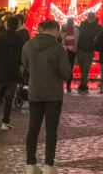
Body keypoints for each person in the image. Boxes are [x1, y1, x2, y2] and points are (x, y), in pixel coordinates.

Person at [21, 19, 73, 174]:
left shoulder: (28, 46)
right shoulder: (58, 49)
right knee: (51, 130)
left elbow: (25, 65)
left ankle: (30, 164)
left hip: (35, 92)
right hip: (53, 94)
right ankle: (49, 165)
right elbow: (66, 73)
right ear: (56, 31)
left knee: (33, 128)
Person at [0, 15, 26, 130]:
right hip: (13, 72)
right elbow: (22, 56)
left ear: (6, 25)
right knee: (9, 99)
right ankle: (5, 122)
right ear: (17, 25)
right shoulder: (20, 40)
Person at [74, 11, 100, 93]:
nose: (91, 18)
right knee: (83, 69)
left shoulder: (97, 27)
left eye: (92, 17)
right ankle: (83, 85)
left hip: (89, 50)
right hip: (82, 49)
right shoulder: (83, 25)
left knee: (85, 69)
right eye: (90, 17)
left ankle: (83, 86)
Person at [60, 15, 77, 93]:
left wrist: (74, 48)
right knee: (63, 68)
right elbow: (62, 40)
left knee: (70, 69)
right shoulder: (63, 30)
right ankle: (63, 84)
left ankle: (68, 85)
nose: (69, 24)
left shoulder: (75, 30)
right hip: (64, 51)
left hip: (72, 52)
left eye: (71, 23)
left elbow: (76, 41)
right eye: (68, 23)